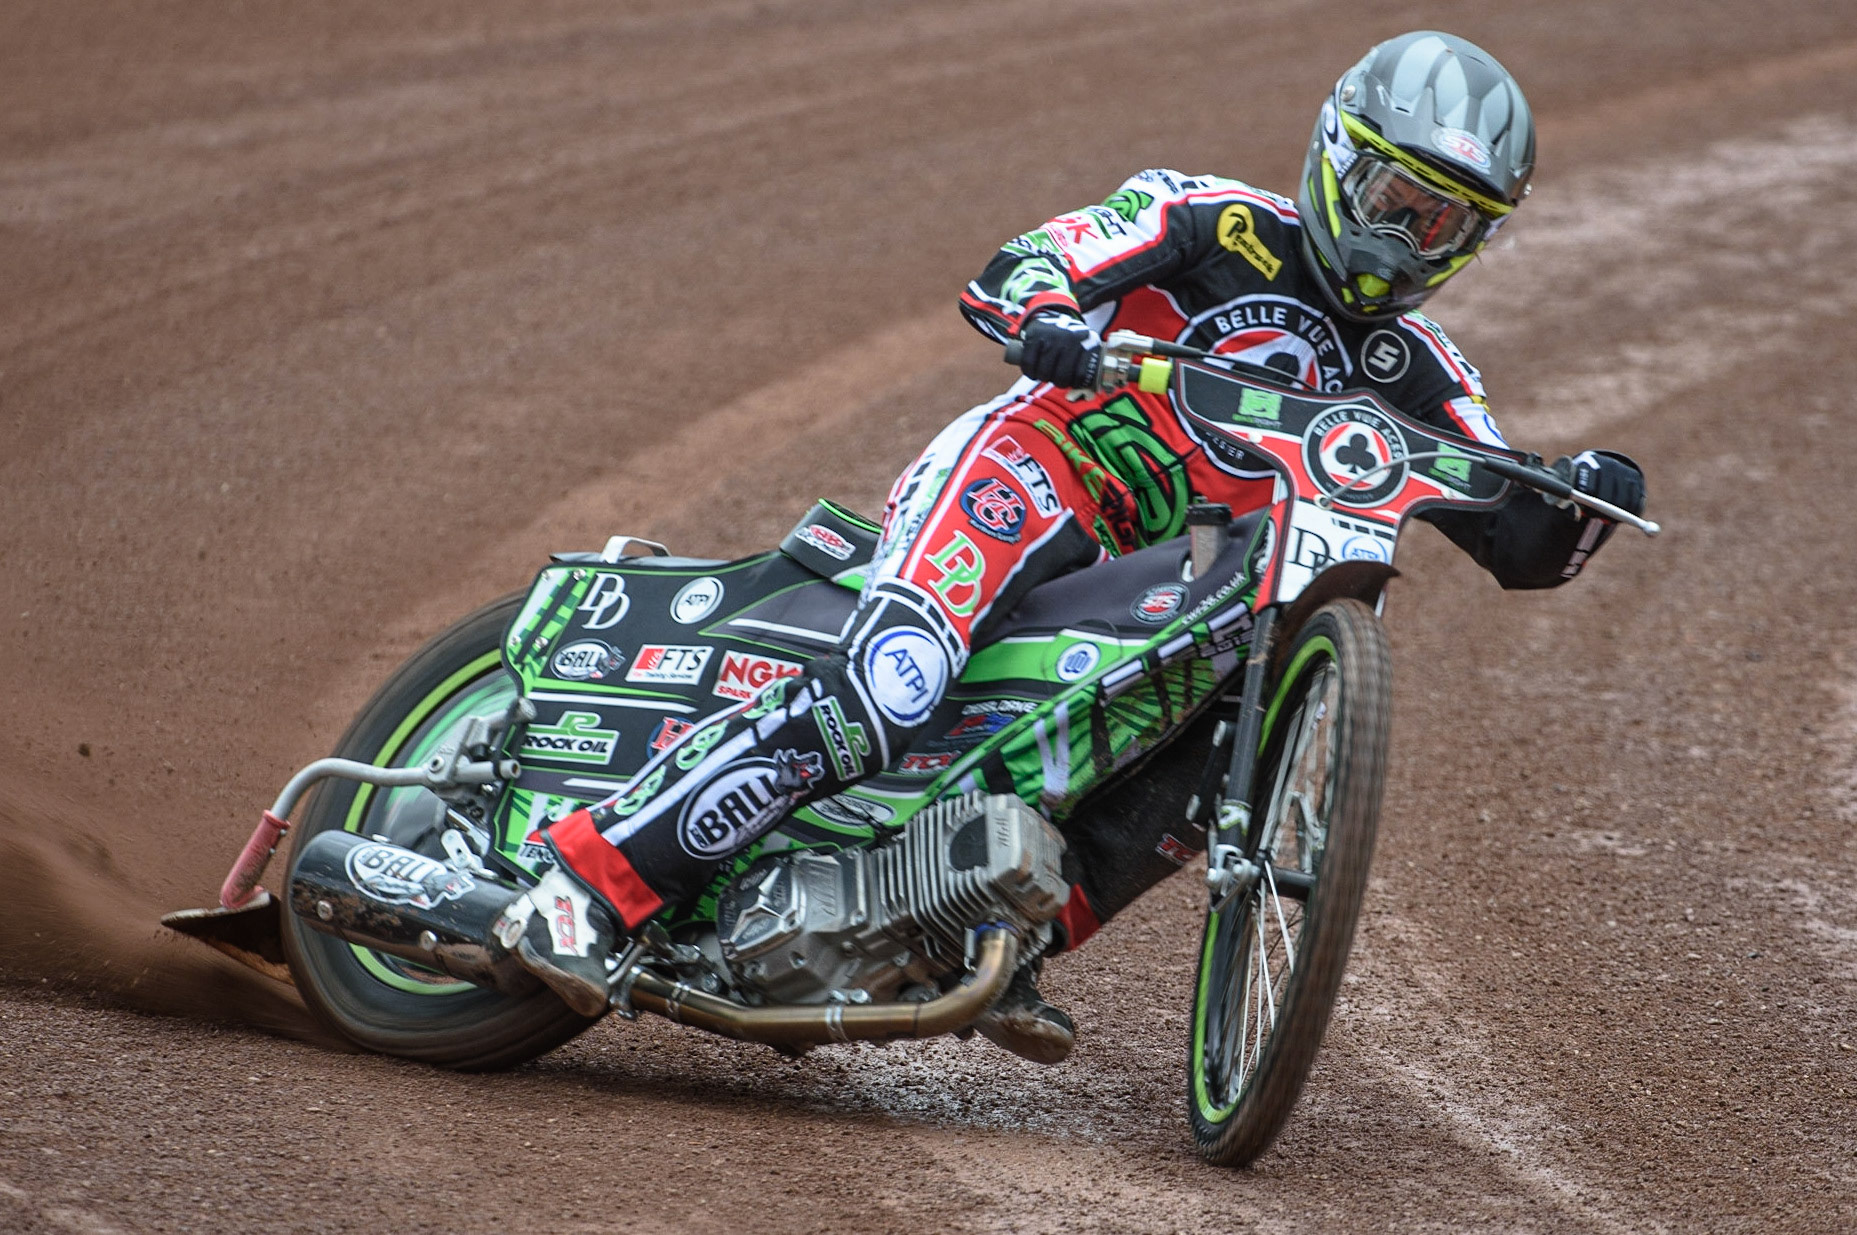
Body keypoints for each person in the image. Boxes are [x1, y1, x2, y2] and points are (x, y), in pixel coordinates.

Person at [492, 30, 1646, 1060]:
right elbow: (1033, 262)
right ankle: (586, 882)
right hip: (1038, 469)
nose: (1408, 238)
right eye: (1397, 198)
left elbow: (1522, 531)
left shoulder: (1427, 375)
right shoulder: (1217, 221)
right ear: (1339, 158)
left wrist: (1583, 490)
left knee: (1217, 749)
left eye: (1445, 223)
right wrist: (1044, 314)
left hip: (1162, 577)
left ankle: (990, 928)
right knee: (896, 680)